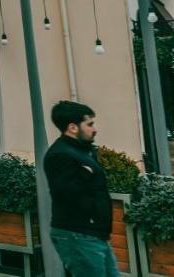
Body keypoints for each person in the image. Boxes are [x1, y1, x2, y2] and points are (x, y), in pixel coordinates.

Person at [44, 101, 118, 277]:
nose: (94, 129)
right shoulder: (60, 155)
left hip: (92, 234)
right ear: (72, 127)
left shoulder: (83, 151)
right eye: (89, 124)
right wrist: (85, 173)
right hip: (77, 235)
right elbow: (65, 192)